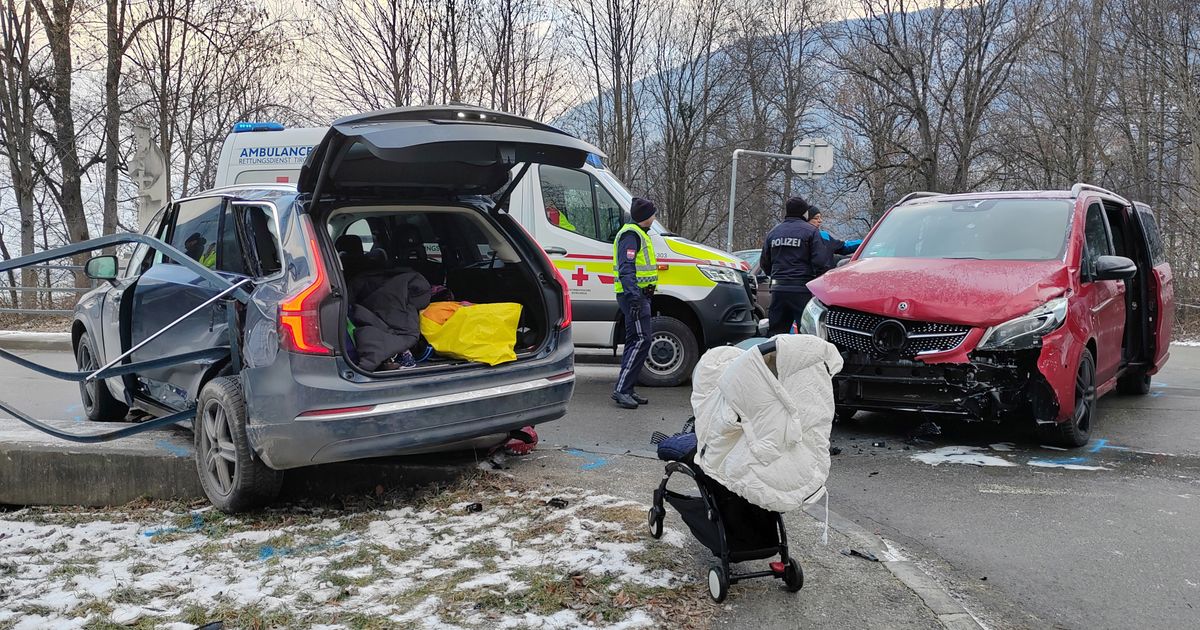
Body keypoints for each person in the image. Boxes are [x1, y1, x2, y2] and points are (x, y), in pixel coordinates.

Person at [611, 197, 659, 410]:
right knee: (641, 340)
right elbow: (626, 269)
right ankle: (622, 390)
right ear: (645, 217)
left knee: (635, 341)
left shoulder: (637, 234)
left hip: (638, 295)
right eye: (653, 213)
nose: (654, 217)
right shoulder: (631, 235)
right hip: (634, 296)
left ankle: (627, 388)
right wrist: (634, 298)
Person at [760, 197, 822, 335]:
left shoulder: (773, 233)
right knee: (807, 334)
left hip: (778, 290)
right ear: (805, 213)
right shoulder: (811, 231)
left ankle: (776, 356)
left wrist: (778, 276)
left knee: (776, 334)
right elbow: (821, 262)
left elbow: (764, 262)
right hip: (802, 290)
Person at [807, 207, 862, 277]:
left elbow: (843, 247)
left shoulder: (824, 235)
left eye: (820, 218)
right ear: (807, 220)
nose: (820, 221)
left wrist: (865, 242)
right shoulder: (821, 236)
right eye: (816, 218)